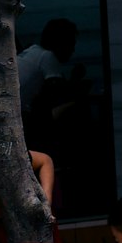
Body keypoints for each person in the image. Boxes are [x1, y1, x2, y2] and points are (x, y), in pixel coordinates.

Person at [17, 18, 78, 151]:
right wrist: (76, 83)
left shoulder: (33, 51)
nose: (73, 50)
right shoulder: (48, 56)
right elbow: (58, 95)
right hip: (22, 119)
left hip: (17, 114)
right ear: (62, 43)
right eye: (71, 44)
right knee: (76, 105)